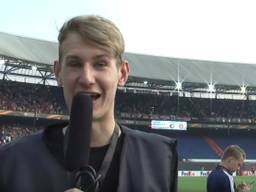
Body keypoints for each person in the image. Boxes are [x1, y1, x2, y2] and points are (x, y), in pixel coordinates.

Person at [0, 15, 178, 192]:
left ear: (122, 73)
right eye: (75, 64)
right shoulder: (12, 160)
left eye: (100, 64)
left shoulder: (160, 157)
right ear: (58, 72)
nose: (86, 78)